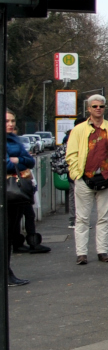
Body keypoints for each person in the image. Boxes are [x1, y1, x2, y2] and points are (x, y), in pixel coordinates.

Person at [65, 95, 108, 265]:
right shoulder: (79, 130)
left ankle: (102, 251)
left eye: (101, 106)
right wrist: (77, 174)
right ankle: (81, 253)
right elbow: (71, 153)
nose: (98, 108)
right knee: (82, 218)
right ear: (89, 109)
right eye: (95, 106)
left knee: (104, 217)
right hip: (84, 178)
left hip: (106, 177)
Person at [6, 110, 34, 285]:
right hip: (7, 189)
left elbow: (30, 160)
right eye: (7, 121)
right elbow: (6, 163)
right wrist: (15, 161)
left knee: (11, 231)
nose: (10, 124)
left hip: (15, 193)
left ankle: (7, 272)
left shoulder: (15, 139)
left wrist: (17, 160)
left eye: (12, 121)